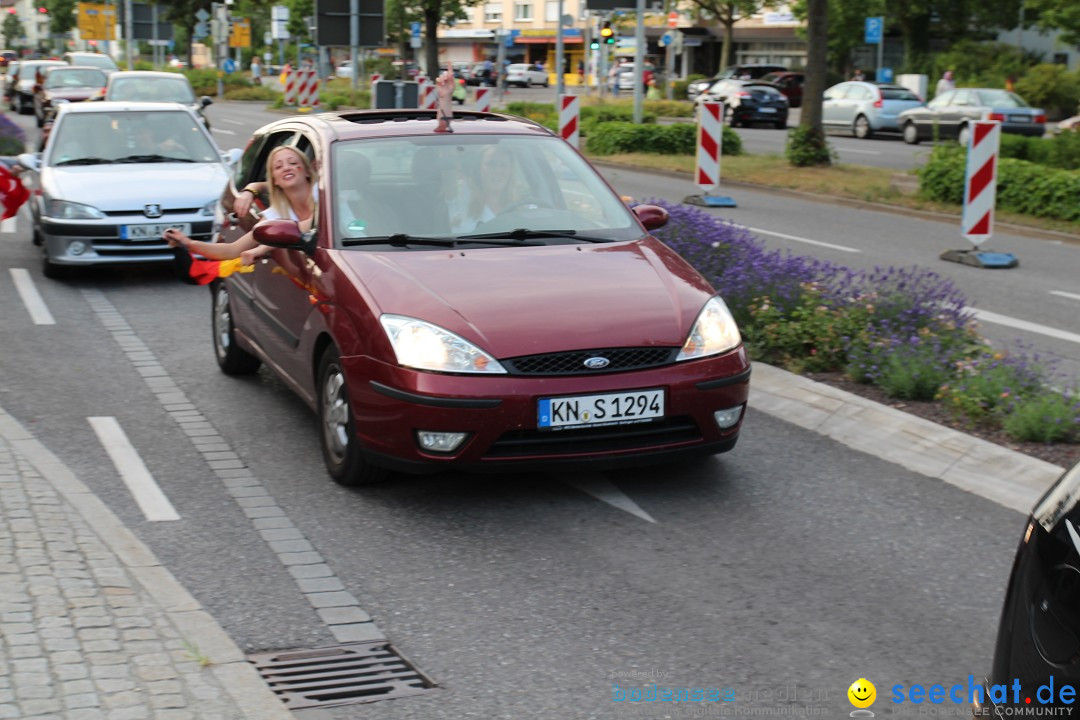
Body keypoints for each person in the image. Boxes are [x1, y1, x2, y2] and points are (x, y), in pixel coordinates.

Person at [166, 145, 316, 266]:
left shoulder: (326, 194)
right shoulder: (277, 214)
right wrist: (189, 243)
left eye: (294, 163)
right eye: (278, 166)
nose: (286, 168)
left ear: (308, 172)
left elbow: (320, 223)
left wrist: (264, 247)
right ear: (274, 180)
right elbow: (232, 250)